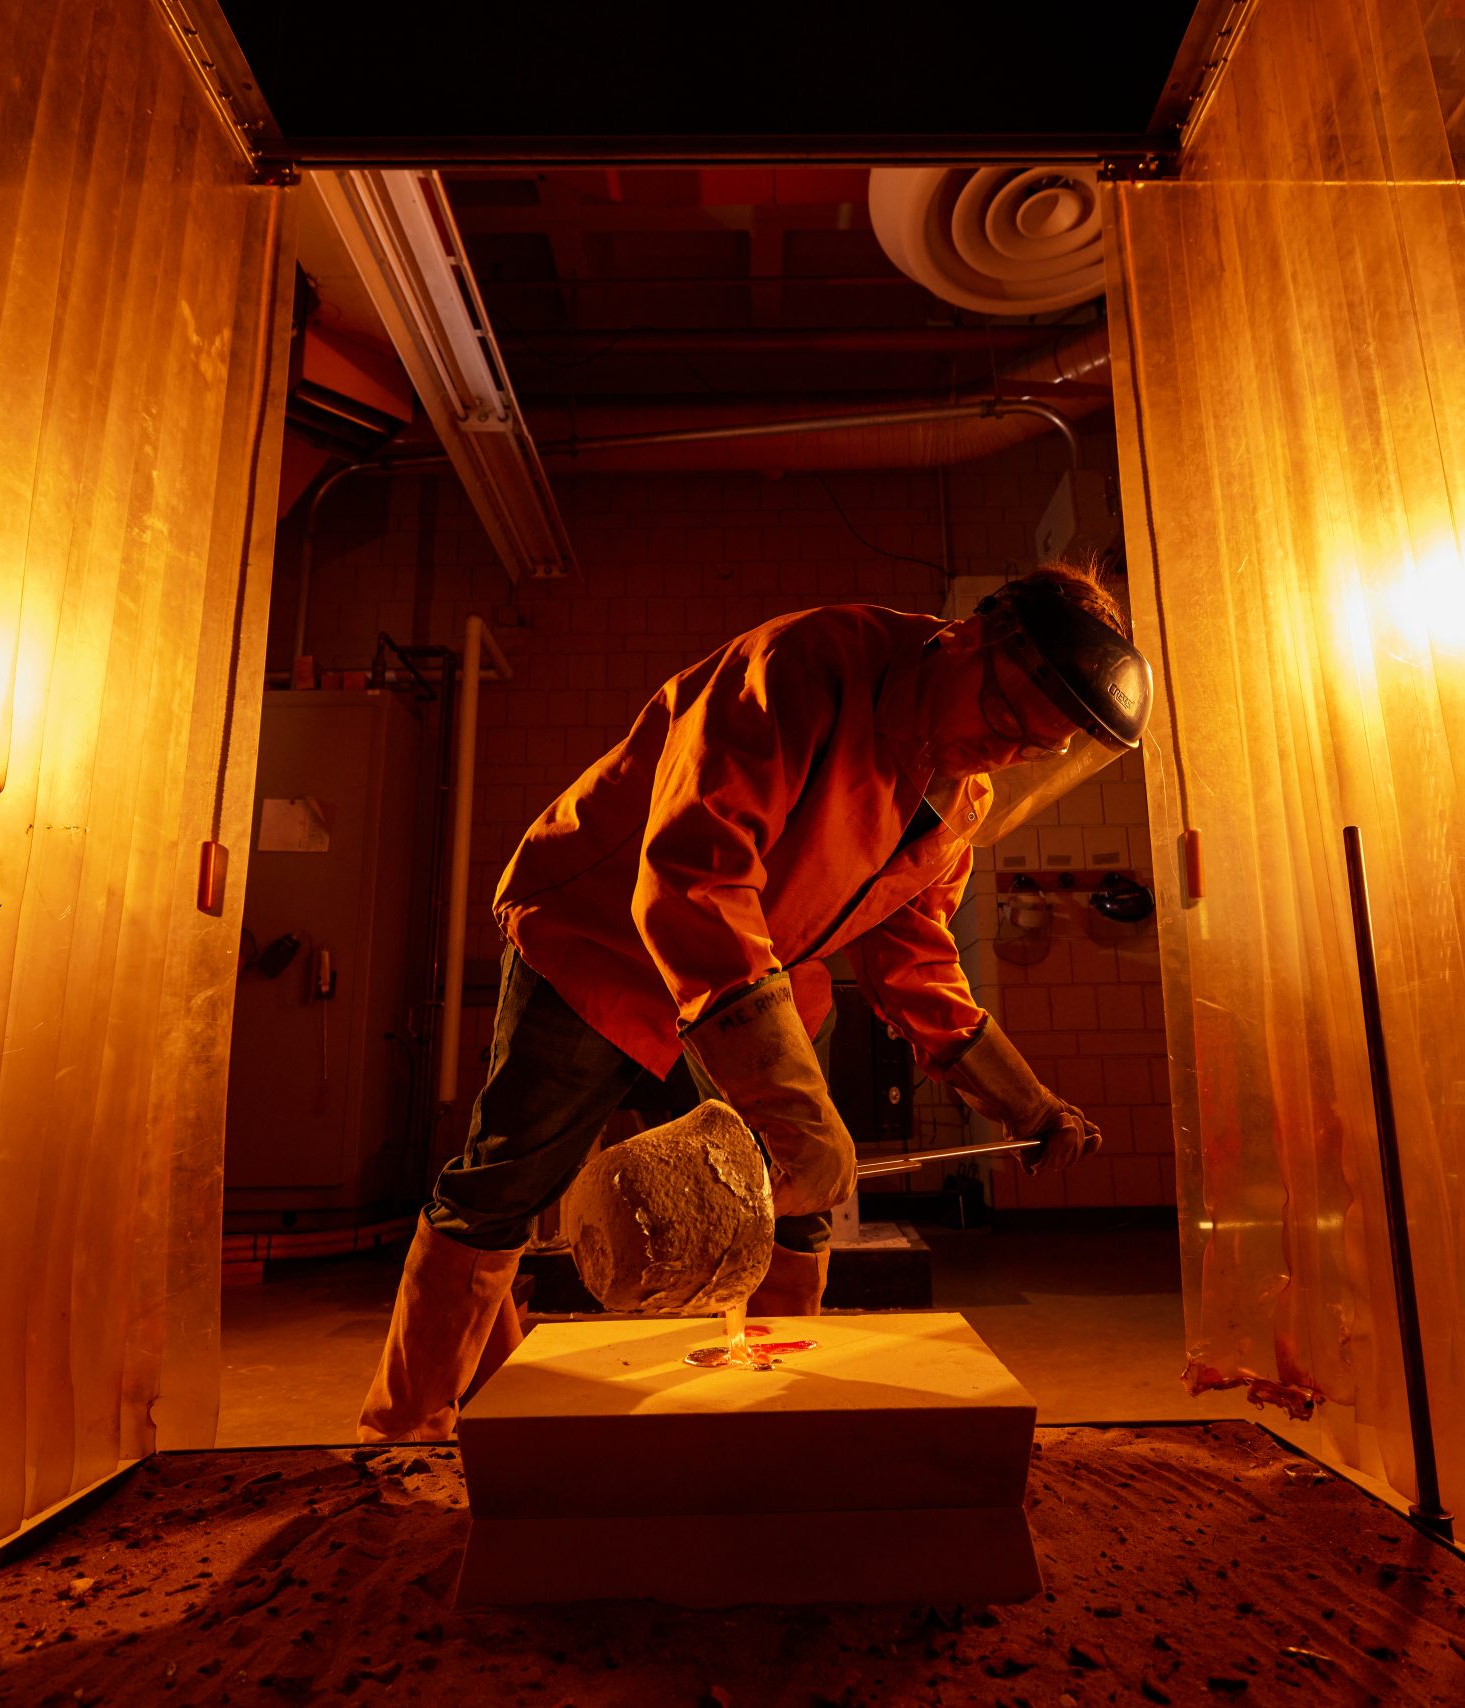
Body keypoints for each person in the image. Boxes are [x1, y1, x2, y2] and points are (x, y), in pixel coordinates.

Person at [356, 566, 1155, 1441]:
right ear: (970, 636)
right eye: (1001, 720)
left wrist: (1023, 1097)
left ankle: (772, 1409)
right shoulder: (801, 666)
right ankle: (409, 1431)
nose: (1000, 753)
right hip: (601, 944)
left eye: (1031, 749)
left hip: (759, 974)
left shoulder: (958, 796)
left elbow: (912, 946)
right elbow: (695, 875)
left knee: (796, 1201)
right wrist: (791, 1104)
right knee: (506, 1184)